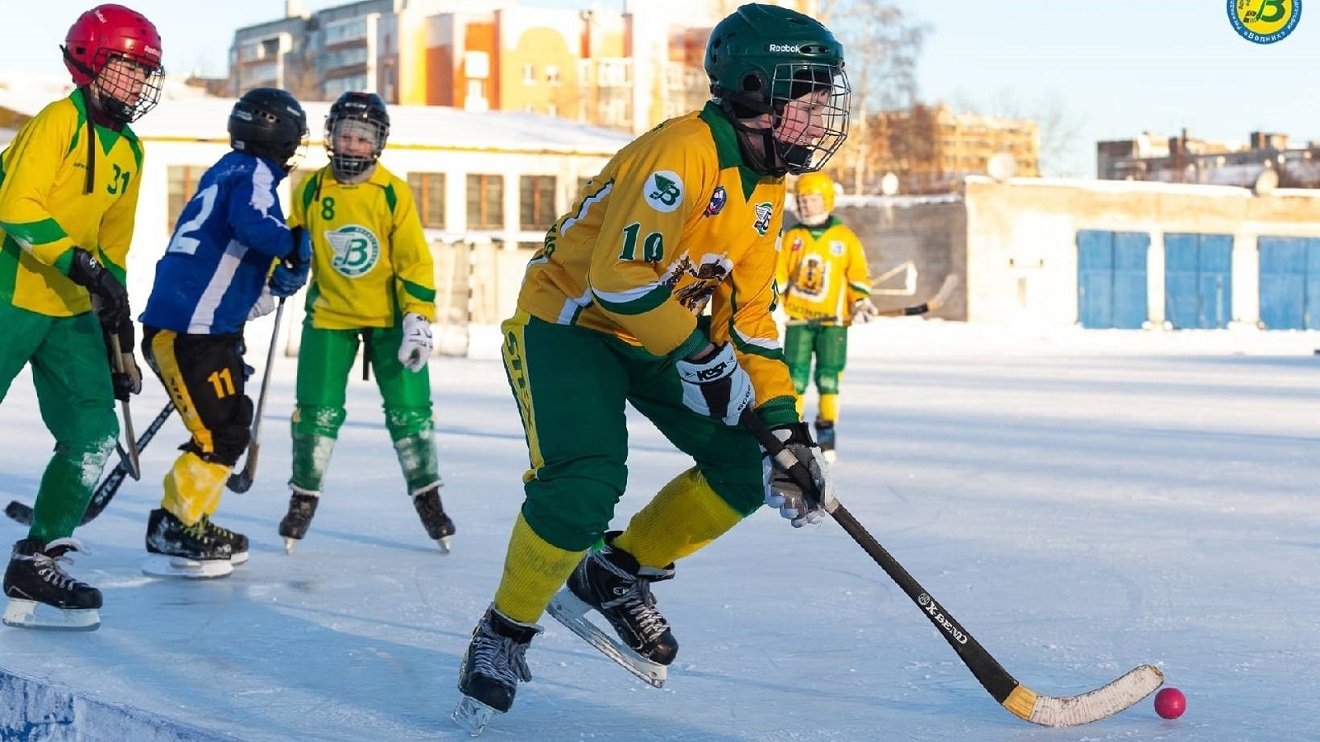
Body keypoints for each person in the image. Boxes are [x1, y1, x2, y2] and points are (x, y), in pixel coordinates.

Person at [453, 3, 850, 731]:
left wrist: (785, 425)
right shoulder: (685, 150)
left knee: (747, 464)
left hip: (652, 336)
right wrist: (700, 356)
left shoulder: (767, 189)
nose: (822, 115)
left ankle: (614, 572)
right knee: (585, 480)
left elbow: (752, 319)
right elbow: (621, 278)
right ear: (758, 90)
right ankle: (503, 633)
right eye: (810, 96)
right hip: (568, 323)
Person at [0, 4, 163, 631]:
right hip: (10, 293)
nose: (137, 85)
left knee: (94, 436)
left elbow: (112, 247)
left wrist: (114, 325)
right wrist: (79, 263)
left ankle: (37, 558)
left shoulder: (130, 149)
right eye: (126, 69)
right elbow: (15, 206)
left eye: (144, 73)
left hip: (69, 311)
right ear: (89, 63)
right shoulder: (55, 123)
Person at [137, 87, 311, 580]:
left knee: (231, 423)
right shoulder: (253, 175)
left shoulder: (227, 172)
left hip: (201, 327)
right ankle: (177, 525)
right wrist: (293, 242)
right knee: (221, 434)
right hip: (188, 331)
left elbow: (231, 271)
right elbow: (253, 225)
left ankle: (187, 520)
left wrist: (275, 284)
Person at [276, 91, 454, 554]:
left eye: (362, 137)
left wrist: (419, 316)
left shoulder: (393, 192)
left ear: (378, 143)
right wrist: (280, 269)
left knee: (410, 409)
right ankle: (303, 495)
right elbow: (293, 242)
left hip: (390, 318)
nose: (351, 144)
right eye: (344, 134)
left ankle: (428, 495)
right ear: (330, 136)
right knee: (315, 408)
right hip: (330, 314)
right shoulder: (312, 188)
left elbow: (414, 261)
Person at [776, 172, 876, 462]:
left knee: (829, 379)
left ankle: (827, 431)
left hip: (833, 323)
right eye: (802, 200)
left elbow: (856, 273)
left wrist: (860, 301)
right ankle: (794, 434)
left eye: (813, 200)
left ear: (827, 201)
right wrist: (774, 303)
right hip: (799, 321)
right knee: (794, 378)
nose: (807, 206)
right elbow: (780, 275)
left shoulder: (844, 239)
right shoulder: (792, 237)